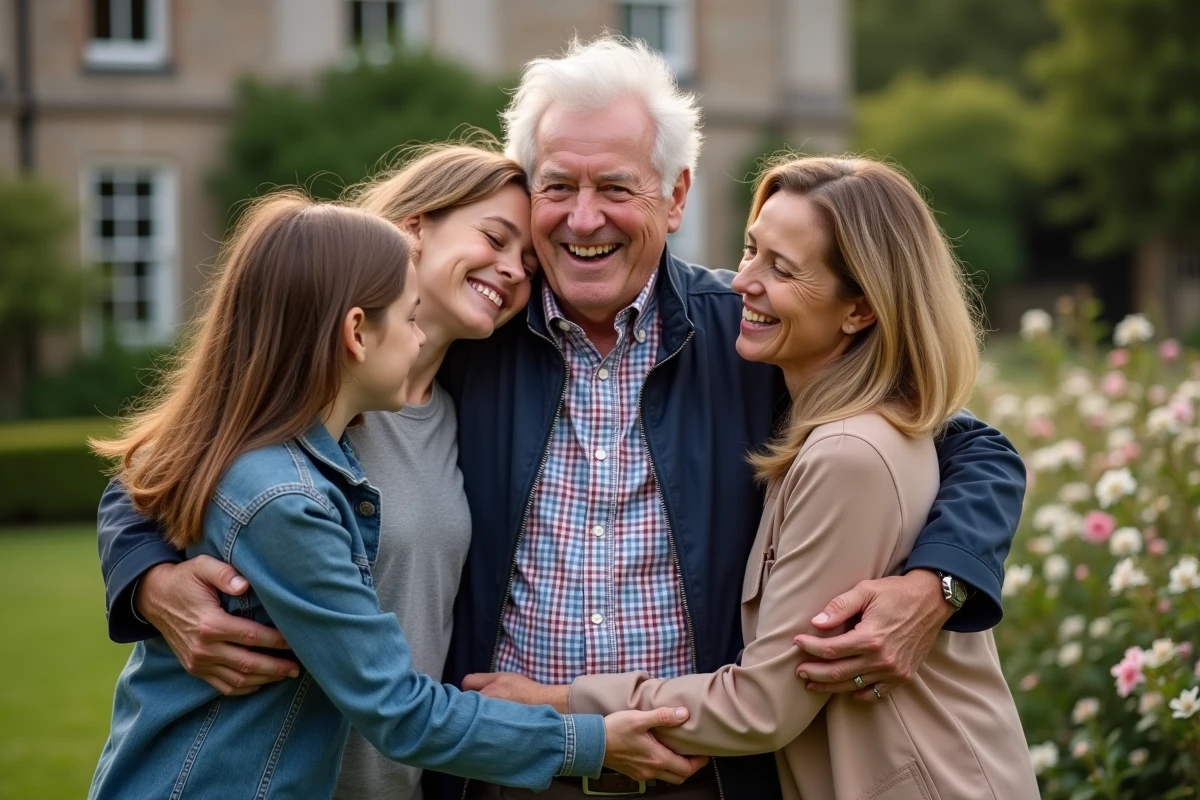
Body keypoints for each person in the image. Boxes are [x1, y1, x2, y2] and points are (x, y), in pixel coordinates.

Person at [97, 37, 1026, 799]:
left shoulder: (748, 332)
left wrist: (939, 583)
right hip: (495, 769)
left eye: (616, 187)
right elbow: (206, 437)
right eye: (556, 187)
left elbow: (960, 437)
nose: (584, 218)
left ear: (676, 194)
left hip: (693, 771)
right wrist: (146, 578)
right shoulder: (454, 333)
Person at [86, 192, 702, 799]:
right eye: (493, 237)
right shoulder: (301, 454)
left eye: (529, 260)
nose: (514, 268)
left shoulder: (466, 395)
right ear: (413, 234)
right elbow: (158, 478)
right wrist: (149, 581)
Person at [467, 155, 1040, 799]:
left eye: (782, 268)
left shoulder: (841, 441)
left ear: (859, 311)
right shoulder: (479, 325)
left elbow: (763, 705)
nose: (743, 281)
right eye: (750, 250)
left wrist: (942, 582)